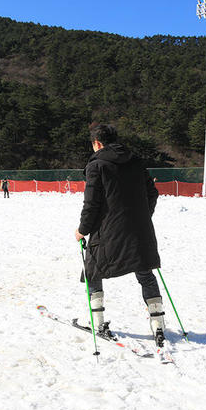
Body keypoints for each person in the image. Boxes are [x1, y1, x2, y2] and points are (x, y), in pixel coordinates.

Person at [74, 123, 167, 347]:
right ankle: (158, 324)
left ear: (97, 143)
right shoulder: (136, 161)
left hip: (108, 231)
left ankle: (98, 321)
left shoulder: (97, 165)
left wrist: (82, 229)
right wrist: (143, 215)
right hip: (139, 229)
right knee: (145, 273)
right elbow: (152, 192)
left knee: (92, 270)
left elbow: (92, 204)